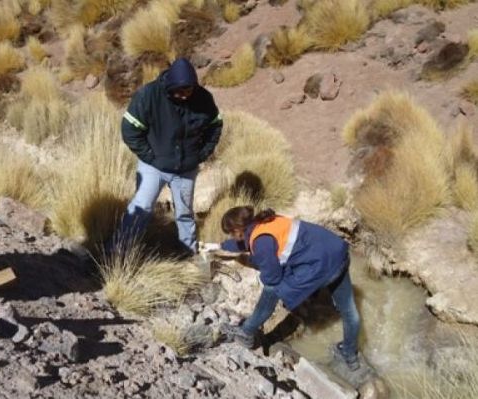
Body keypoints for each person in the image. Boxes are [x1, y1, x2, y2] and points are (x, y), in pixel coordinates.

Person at [219, 206, 361, 371]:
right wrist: (221, 245)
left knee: (273, 288)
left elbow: (272, 277)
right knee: (349, 311)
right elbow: (247, 242)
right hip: (338, 253)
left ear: (237, 230)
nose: (231, 236)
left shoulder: (261, 241)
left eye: (231, 233)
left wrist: (259, 266)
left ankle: (247, 332)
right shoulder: (267, 221)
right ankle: (350, 355)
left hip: (320, 265)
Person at [109, 57, 223, 255]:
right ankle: (119, 252)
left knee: (185, 213)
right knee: (141, 207)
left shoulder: (203, 98)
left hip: (186, 168)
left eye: (189, 91)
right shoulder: (149, 95)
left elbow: (215, 125)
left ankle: (188, 252)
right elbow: (129, 129)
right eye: (180, 92)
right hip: (153, 167)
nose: (185, 96)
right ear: (170, 85)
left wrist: (202, 154)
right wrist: (151, 157)